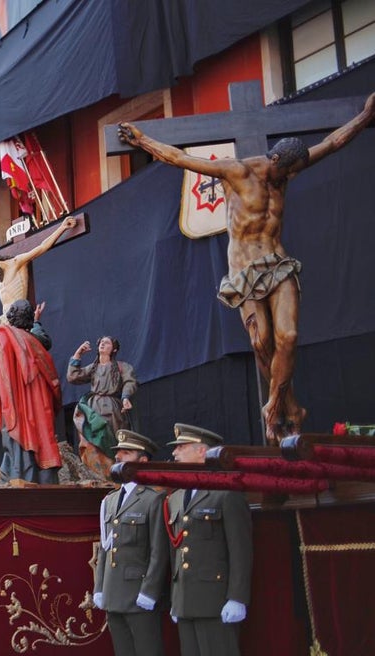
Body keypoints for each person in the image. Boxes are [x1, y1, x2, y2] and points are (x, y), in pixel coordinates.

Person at [118, 94, 375, 441]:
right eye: (292, 170)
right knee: (262, 341)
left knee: (290, 336)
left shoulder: (285, 172)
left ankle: (272, 406)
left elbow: (331, 143)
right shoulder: (235, 172)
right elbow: (180, 158)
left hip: (278, 263)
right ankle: (291, 406)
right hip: (244, 271)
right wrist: (143, 140)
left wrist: (366, 115)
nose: (296, 176)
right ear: (279, 160)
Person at [162, 424, 252, 656]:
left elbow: (240, 550)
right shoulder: (177, 496)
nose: (175, 453)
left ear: (203, 451)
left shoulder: (226, 493)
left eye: (182, 447)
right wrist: (175, 594)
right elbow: (177, 551)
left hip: (217, 599)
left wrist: (237, 596)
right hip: (187, 599)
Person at [92, 430, 170, 656]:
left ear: (143, 461)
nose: (119, 457)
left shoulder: (154, 499)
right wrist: (99, 588)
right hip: (114, 592)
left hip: (139, 593)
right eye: (119, 452)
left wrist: (150, 591)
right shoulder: (109, 501)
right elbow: (104, 549)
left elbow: (158, 551)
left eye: (127, 453)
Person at [0, 298, 62, 483]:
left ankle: (20, 477)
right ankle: (45, 480)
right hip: (39, 400)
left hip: (17, 398)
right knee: (42, 436)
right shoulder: (36, 341)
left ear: (10, 317)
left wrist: (1, 331)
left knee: (19, 435)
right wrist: (37, 322)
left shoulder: (4, 336)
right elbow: (46, 341)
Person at [0, 216, 76, 325]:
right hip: (4, 320)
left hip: (18, 319)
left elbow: (42, 247)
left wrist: (62, 227)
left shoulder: (16, 263)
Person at [67, 335, 138, 477]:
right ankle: (95, 475)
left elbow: (130, 382)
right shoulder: (93, 368)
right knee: (90, 444)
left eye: (107, 343)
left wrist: (125, 397)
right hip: (93, 411)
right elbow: (73, 376)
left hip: (112, 410)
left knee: (111, 442)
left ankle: (113, 476)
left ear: (114, 349)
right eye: (101, 342)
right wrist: (78, 354)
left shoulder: (122, 367)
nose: (103, 344)